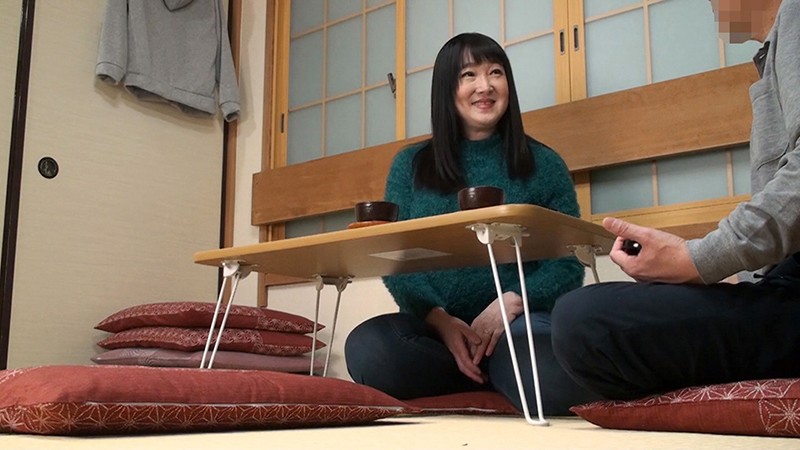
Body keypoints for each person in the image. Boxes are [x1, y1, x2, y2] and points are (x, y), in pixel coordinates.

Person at [551, 0, 800, 401]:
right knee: (568, 332)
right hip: (779, 287)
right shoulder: (773, 54)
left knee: (582, 321)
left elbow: (558, 268)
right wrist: (724, 276)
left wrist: (695, 259)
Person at [344, 32, 601, 415]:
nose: (485, 86)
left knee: (548, 367)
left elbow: (568, 261)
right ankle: (478, 371)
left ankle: (498, 369)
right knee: (369, 348)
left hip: (517, 324)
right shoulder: (411, 165)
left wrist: (512, 302)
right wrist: (441, 322)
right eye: (469, 75)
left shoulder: (544, 163)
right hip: (437, 334)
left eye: (495, 72)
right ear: (447, 89)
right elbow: (396, 258)